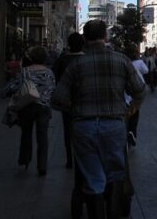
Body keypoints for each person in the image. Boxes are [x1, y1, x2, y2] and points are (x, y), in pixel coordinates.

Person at [52, 20, 146, 218]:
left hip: (83, 126)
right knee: (115, 174)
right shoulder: (121, 60)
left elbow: (57, 99)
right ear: (106, 37)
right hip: (114, 124)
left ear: (85, 38)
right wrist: (130, 109)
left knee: (93, 178)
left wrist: (75, 108)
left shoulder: (76, 65)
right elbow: (140, 90)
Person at [5, 46, 55, 176]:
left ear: (31, 58)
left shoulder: (25, 72)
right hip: (44, 107)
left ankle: (25, 159)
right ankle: (42, 165)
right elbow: (52, 89)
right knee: (43, 136)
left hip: (28, 106)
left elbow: (12, 87)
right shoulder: (49, 73)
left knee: (26, 133)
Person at [52, 32, 85, 169]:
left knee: (67, 130)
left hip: (67, 102)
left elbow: (56, 79)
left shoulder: (62, 60)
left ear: (69, 44)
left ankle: (69, 159)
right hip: (84, 101)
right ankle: (81, 158)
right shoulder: (87, 59)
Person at [124, 43, 147, 147]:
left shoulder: (123, 62)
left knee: (126, 115)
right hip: (135, 93)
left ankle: (127, 132)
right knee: (135, 113)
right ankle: (131, 132)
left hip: (124, 95)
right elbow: (146, 71)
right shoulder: (139, 62)